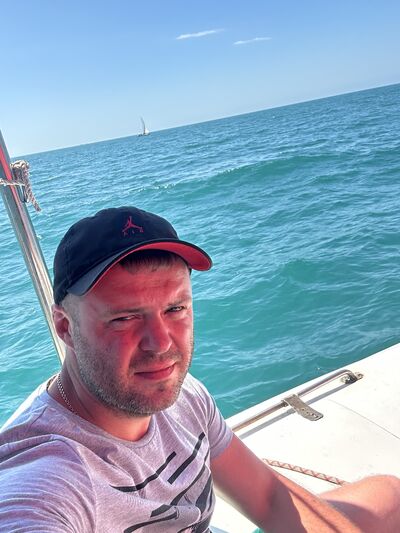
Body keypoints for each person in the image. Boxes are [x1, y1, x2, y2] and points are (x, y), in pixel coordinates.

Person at [0, 205, 399, 533]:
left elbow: (268, 498)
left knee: (388, 495)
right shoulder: (45, 473)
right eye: (124, 318)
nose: (161, 344)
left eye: (175, 309)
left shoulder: (184, 395)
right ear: (65, 327)